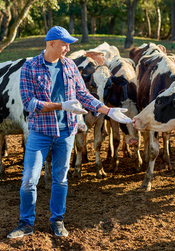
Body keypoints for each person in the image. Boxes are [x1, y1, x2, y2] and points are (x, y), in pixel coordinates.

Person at [7, 26, 132, 239]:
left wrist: (107, 110)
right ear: (51, 44)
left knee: (60, 178)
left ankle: (57, 220)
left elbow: (83, 95)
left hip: (66, 132)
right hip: (41, 132)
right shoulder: (30, 67)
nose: (67, 49)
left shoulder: (70, 67)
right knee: (29, 179)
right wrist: (61, 106)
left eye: (68, 45)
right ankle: (26, 223)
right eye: (64, 44)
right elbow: (29, 103)